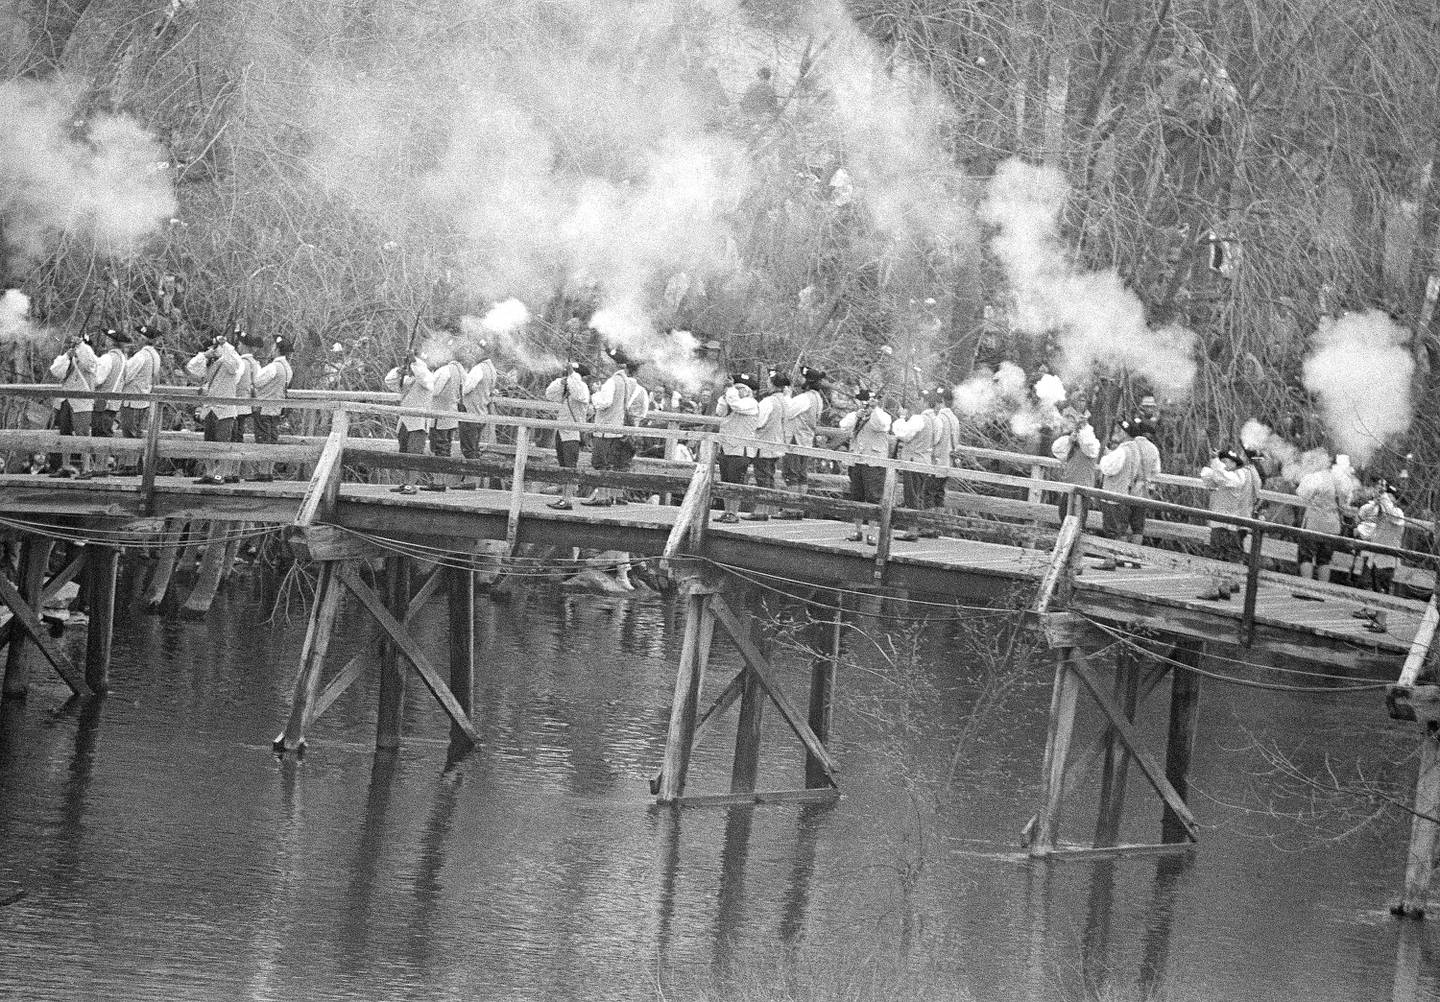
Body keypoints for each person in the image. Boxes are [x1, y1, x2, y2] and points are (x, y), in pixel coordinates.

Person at [582, 345, 647, 507]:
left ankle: (603, 497)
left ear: (617, 365)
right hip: (623, 431)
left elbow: (604, 403)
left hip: (606, 429)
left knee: (600, 462)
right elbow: (642, 412)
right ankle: (615, 496)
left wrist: (595, 393)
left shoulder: (613, 381)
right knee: (618, 465)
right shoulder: (633, 386)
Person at [185, 327, 244, 485]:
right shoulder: (208, 363)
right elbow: (191, 368)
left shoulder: (228, 362)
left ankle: (220, 474)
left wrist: (225, 347)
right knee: (208, 443)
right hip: (209, 408)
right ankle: (209, 473)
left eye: (213, 347)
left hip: (225, 410)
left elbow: (237, 365)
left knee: (223, 444)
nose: (211, 350)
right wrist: (205, 355)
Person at [838, 388, 892, 544]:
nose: (863, 404)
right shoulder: (856, 415)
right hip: (857, 461)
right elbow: (844, 425)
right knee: (857, 496)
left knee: (874, 498)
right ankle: (857, 530)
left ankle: (872, 532)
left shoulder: (881, 415)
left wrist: (874, 409)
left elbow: (880, 424)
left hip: (874, 462)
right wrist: (857, 415)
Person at [46, 326, 100, 478]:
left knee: (83, 434)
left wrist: (81, 346)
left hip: (82, 402)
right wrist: (68, 356)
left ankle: (86, 468)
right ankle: (66, 467)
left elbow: (89, 360)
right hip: (65, 400)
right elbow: (56, 370)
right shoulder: (69, 358)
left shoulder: (91, 360)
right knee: (65, 434)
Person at [383, 351, 436, 495]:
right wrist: (399, 371)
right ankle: (406, 482)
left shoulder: (427, 379)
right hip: (405, 421)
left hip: (418, 422)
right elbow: (389, 381)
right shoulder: (408, 381)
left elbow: (424, 377)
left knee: (414, 454)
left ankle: (412, 484)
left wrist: (414, 362)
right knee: (404, 453)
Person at [1294, 458, 1352, 582]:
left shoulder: (1315, 477)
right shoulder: (1342, 481)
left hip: (1313, 524)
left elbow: (1302, 494)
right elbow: (1345, 503)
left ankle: (1306, 588)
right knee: (1324, 559)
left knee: (1306, 556)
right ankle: (1322, 591)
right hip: (1332, 526)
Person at [713, 372, 760, 523]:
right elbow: (720, 411)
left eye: (741, 388)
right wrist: (725, 393)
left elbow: (737, 406)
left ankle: (734, 512)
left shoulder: (751, 403)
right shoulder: (731, 399)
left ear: (748, 391)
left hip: (741, 449)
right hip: (727, 446)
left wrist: (731, 390)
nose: (739, 391)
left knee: (736, 482)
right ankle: (727, 511)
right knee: (726, 481)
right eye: (737, 388)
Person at [543, 361, 591, 510]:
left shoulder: (582, 388)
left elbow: (577, 391)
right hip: (562, 431)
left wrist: (572, 376)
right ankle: (563, 497)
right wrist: (562, 382)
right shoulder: (567, 387)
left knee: (570, 467)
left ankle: (568, 499)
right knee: (563, 467)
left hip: (573, 433)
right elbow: (550, 394)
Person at [87, 326, 131, 479]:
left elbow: (98, 379)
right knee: (106, 431)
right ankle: (102, 465)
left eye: (107, 339)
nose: (105, 341)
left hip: (102, 401)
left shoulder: (107, 358)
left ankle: (99, 467)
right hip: (114, 402)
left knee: (100, 432)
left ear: (111, 342)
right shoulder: (124, 359)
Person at [891, 394, 938, 541]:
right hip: (925, 461)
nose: (916, 402)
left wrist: (901, 418)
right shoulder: (935, 421)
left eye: (919, 399)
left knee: (912, 496)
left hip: (913, 461)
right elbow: (935, 440)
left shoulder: (919, 419)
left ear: (924, 401)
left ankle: (912, 530)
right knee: (920, 496)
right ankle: (921, 526)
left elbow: (903, 434)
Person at [247, 334, 293, 482]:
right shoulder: (288, 368)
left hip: (264, 407)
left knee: (263, 439)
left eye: (274, 347)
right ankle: (268, 471)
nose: (272, 349)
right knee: (272, 438)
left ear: (277, 349)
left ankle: (263, 472)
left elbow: (257, 381)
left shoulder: (273, 367)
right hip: (277, 408)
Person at [781, 365, 826, 510]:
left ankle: (791, 508)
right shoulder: (818, 398)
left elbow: (788, 412)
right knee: (802, 474)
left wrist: (787, 396)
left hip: (796, 436)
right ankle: (799, 508)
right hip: (807, 437)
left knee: (792, 473)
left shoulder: (804, 398)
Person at [748, 369, 789, 521]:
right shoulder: (785, 401)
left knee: (762, 478)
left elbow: (758, 423)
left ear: (772, 384)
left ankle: (761, 510)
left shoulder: (768, 402)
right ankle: (767, 508)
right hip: (777, 443)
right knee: (769, 477)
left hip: (764, 444)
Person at [424, 348, 466, 492]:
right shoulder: (461, 372)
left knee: (438, 448)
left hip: (440, 416)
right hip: (452, 415)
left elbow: (434, 391)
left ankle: (438, 481)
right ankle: (441, 480)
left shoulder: (444, 371)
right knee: (446, 447)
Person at [457, 341, 498, 489]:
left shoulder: (478, 369)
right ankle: (471, 481)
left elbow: (467, 388)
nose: (474, 353)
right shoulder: (492, 369)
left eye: (477, 351)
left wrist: (461, 385)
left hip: (471, 412)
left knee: (468, 449)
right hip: (481, 413)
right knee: (473, 448)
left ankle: (470, 482)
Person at [1049, 405, 1100, 522]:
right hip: (1068, 488)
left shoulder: (1093, 445)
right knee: (1063, 517)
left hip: (1082, 491)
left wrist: (1083, 427)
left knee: (1078, 522)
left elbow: (1087, 443)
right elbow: (1056, 449)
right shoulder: (1071, 445)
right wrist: (1070, 439)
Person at [1356, 477, 1405, 594]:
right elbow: (1362, 520)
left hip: (1387, 560)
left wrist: (1384, 499)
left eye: (1388, 496)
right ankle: (1367, 610)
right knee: (1367, 586)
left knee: (1382, 591)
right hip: (1373, 558)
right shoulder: (1376, 511)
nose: (1384, 497)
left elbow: (1393, 516)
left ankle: (1378, 612)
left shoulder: (1398, 513)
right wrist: (1375, 503)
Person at [929, 386, 960, 517]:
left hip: (936, 462)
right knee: (939, 494)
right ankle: (936, 525)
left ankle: (927, 525)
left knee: (929, 493)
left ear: (940, 400)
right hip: (948, 462)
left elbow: (934, 440)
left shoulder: (939, 418)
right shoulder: (954, 419)